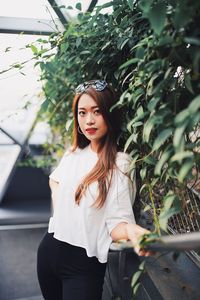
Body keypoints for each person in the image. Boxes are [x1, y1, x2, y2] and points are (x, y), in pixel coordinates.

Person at [37, 79, 151, 300]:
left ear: (110, 114)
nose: (88, 120)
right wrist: (68, 209)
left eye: (96, 111)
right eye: (82, 113)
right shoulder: (73, 154)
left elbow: (117, 223)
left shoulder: (120, 162)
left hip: (83, 265)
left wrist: (131, 231)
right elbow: (55, 181)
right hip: (48, 250)